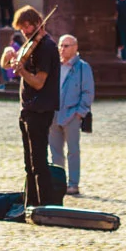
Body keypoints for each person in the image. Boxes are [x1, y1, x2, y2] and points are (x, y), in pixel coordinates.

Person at [10, 6, 64, 209]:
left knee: (39, 162)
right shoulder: (32, 44)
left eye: (27, 26)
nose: (24, 31)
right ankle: (30, 202)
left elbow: (39, 82)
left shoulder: (47, 47)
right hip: (28, 109)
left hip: (40, 109)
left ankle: (45, 204)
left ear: (36, 23)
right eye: (21, 27)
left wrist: (21, 71)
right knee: (29, 162)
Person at [50, 35, 94, 197]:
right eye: (61, 45)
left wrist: (79, 113)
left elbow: (88, 92)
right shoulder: (55, 66)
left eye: (66, 46)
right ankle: (58, 183)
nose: (62, 49)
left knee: (73, 151)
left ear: (75, 47)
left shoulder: (83, 68)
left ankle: (73, 183)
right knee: (55, 151)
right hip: (54, 114)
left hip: (72, 115)